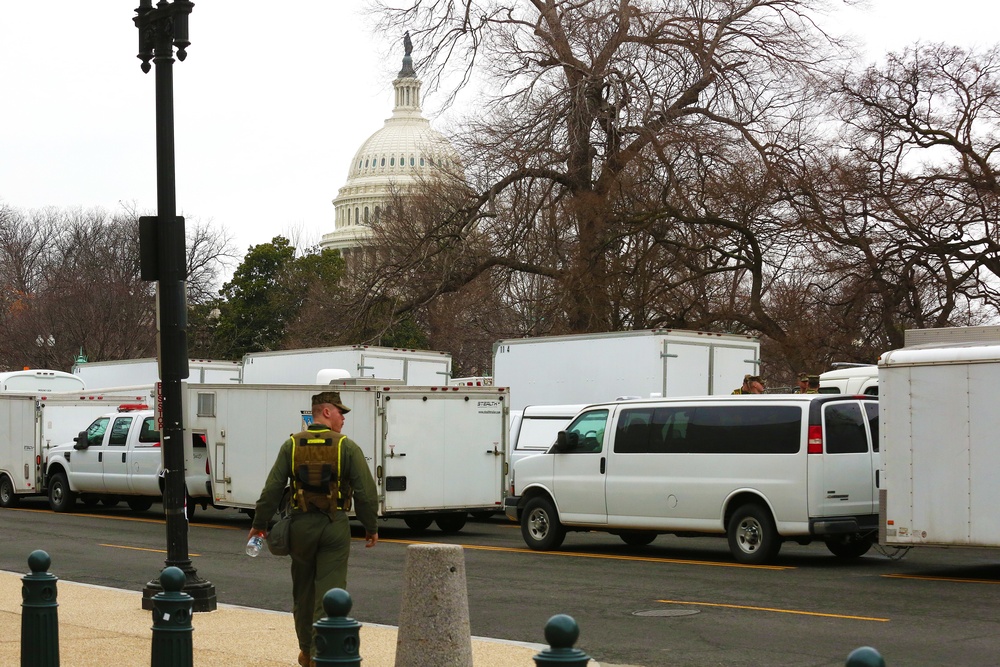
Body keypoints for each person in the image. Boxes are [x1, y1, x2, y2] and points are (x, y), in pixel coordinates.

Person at [247, 391, 379, 667]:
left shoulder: (292, 445)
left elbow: (272, 489)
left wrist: (259, 524)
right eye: (341, 413)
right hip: (334, 526)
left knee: (303, 593)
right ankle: (323, 653)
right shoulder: (347, 447)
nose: (343, 419)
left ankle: (306, 652)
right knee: (330, 592)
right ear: (327, 412)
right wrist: (370, 526)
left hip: (299, 525)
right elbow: (366, 493)